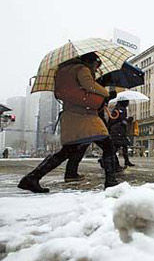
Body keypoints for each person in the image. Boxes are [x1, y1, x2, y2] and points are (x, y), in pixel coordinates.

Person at [18, 53, 119, 193]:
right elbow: (89, 85)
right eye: (96, 65)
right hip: (85, 116)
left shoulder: (62, 72)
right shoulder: (82, 69)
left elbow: (72, 92)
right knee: (108, 145)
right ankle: (111, 183)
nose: (96, 69)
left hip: (70, 115)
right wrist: (106, 94)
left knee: (66, 151)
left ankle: (31, 178)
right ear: (91, 62)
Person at [108, 100, 135, 169]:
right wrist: (127, 120)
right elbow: (116, 120)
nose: (128, 103)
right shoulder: (119, 110)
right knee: (116, 147)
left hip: (120, 131)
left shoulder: (120, 109)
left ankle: (126, 161)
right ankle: (112, 163)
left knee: (124, 146)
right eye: (127, 102)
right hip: (117, 132)